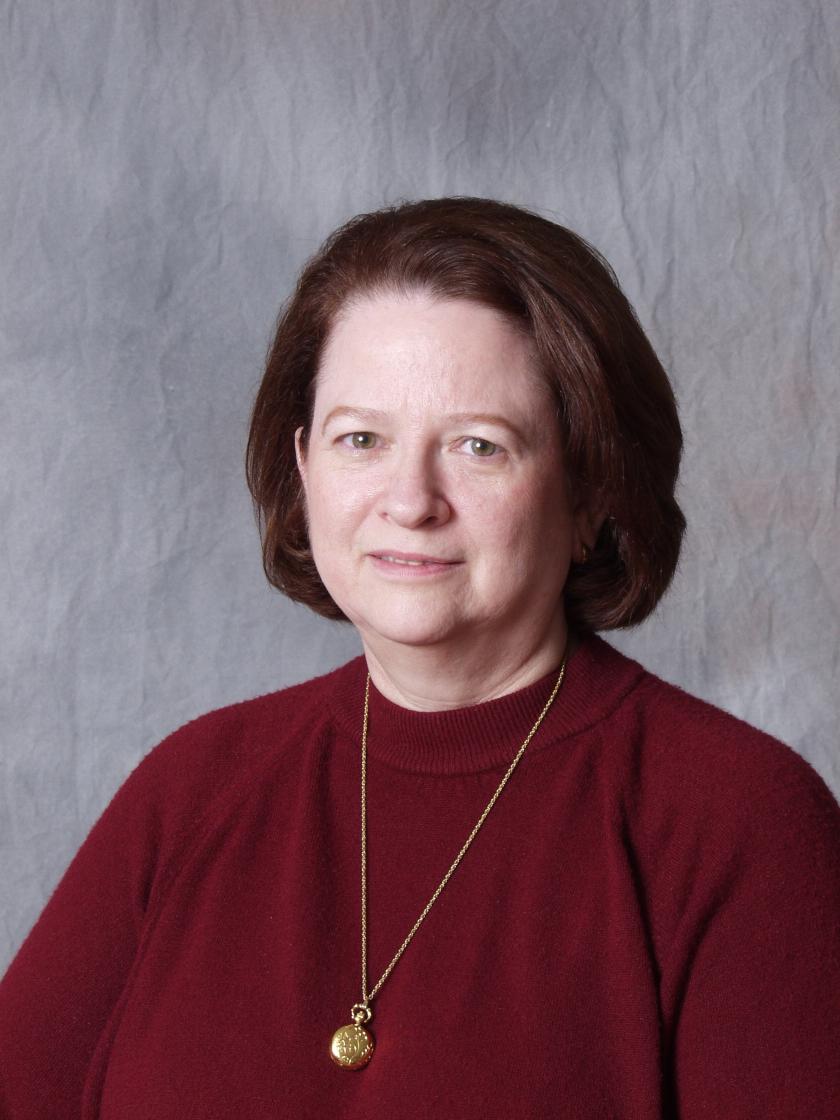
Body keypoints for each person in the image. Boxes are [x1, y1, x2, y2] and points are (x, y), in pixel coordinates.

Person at [1, 197, 839, 1118]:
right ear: (304, 469)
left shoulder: (739, 821)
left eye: (480, 446)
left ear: (589, 495)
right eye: (361, 439)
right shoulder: (192, 790)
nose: (410, 500)